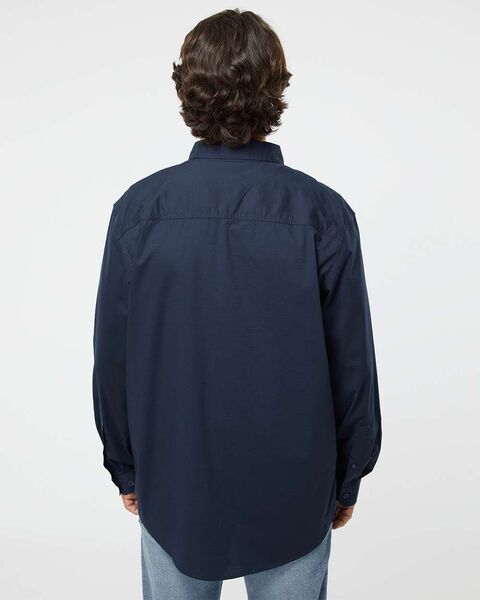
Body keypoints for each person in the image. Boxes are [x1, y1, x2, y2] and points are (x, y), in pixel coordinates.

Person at [92, 9, 382, 600]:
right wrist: (348, 476)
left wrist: (126, 467)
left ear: (187, 89)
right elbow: (353, 364)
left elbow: (113, 357)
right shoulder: (322, 213)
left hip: (174, 484)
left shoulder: (139, 212)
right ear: (275, 88)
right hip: (294, 488)